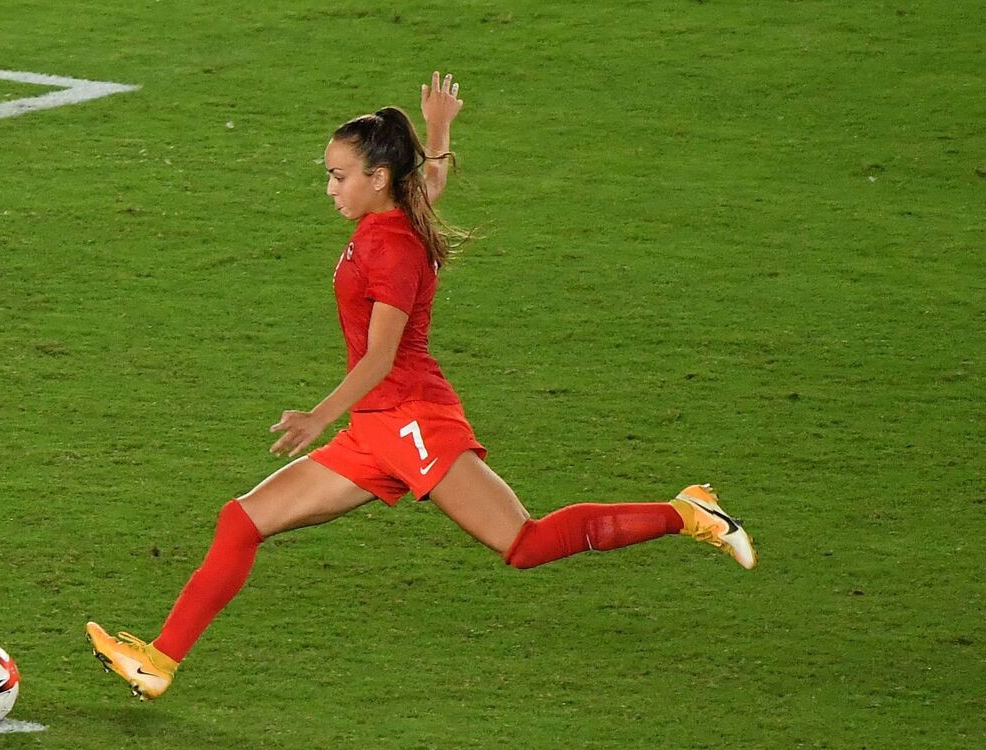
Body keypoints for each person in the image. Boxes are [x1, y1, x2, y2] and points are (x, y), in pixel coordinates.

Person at [87, 71, 757, 700]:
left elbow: (380, 357)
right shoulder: (391, 214)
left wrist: (318, 417)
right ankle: (159, 662)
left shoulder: (393, 249)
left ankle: (689, 513)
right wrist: (439, 136)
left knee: (523, 544)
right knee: (243, 519)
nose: (329, 187)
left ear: (378, 178)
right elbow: (428, 185)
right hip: (375, 429)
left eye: (339, 176)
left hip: (411, 419)